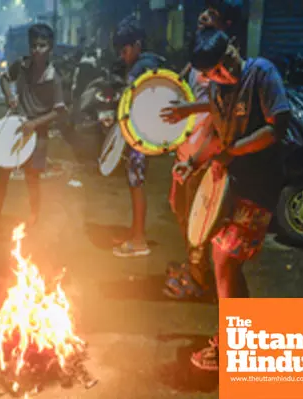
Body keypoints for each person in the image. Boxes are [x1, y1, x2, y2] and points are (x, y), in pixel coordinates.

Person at [160, 27, 290, 371]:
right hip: (234, 186)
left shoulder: (261, 72)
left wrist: (234, 152)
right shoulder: (217, 91)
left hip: (259, 187)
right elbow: (217, 139)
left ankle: (229, 349)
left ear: (234, 47)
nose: (225, 73)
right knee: (226, 263)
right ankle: (241, 341)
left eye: (227, 63)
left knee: (223, 259)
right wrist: (192, 162)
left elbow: (277, 128)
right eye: (215, 72)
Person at [164, 0, 244, 299]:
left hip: (209, 150)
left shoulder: (230, 68)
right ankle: (198, 272)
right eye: (204, 11)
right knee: (183, 211)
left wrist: (188, 110)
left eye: (213, 15)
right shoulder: (198, 60)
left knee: (202, 219)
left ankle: (200, 280)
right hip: (190, 147)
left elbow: (221, 104)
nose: (203, 16)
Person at [0, 23, 66, 241]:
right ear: (29, 47)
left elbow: (59, 111)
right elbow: (3, 78)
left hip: (37, 133)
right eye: (34, 45)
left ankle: (35, 219)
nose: (38, 50)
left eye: (43, 45)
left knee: (32, 179)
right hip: (16, 127)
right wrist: (9, 96)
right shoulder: (22, 66)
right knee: (2, 174)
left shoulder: (53, 77)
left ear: (50, 48)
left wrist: (35, 123)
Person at [110, 16, 165, 257]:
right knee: (136, 183)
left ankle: (139, 239)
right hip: (147, 132)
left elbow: (130, 102)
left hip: (139, 135)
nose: (123, 56)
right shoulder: (154, 62)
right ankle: (135, 231)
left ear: (137, 44)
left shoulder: (139, 68)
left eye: (125, 50)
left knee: (136, 184)